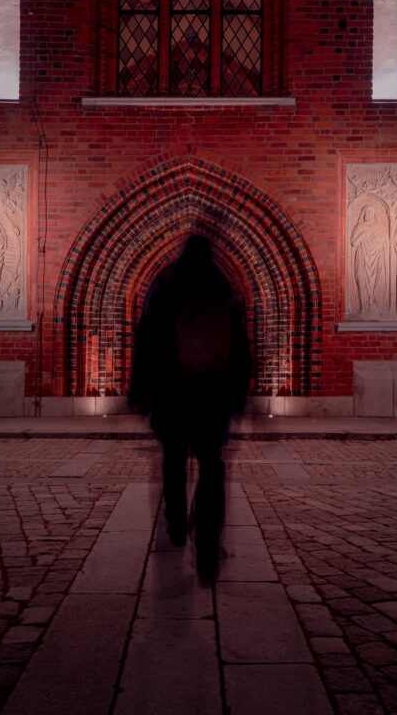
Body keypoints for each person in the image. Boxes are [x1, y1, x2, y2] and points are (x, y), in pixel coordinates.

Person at [128, 235, 252, 579]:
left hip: (172, 393)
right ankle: (208, 541)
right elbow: (240, 346)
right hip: (212, 395)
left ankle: (177, 523)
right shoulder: (222, 287)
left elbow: (146, 338)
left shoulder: (165, 286)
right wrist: (240, 394)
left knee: (173, 460)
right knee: (212, 466)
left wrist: (139, 390)